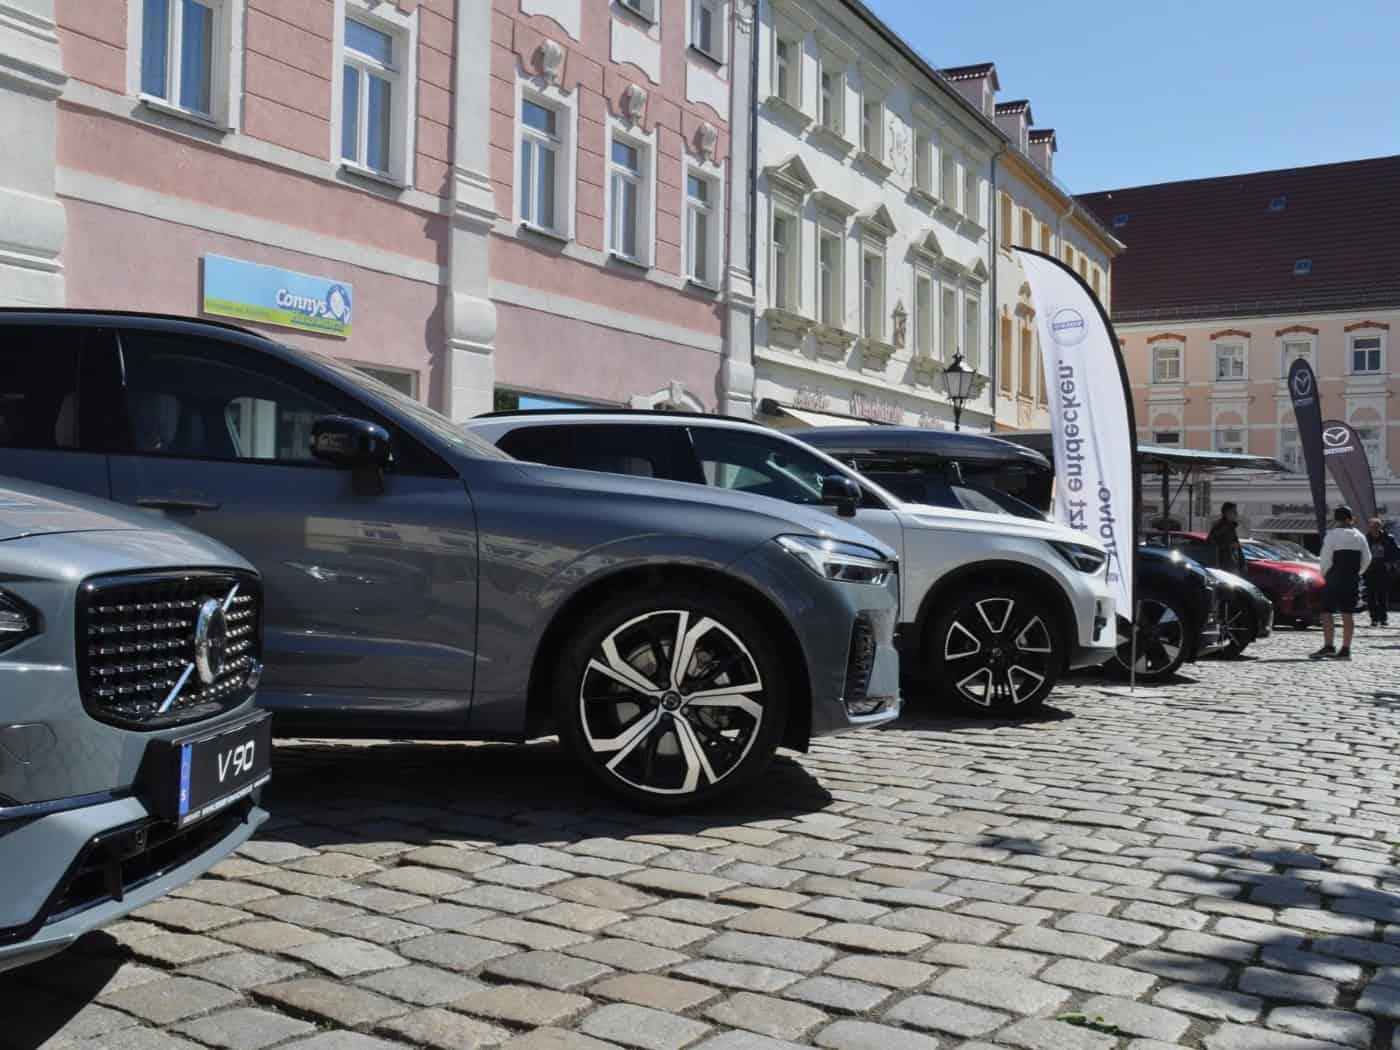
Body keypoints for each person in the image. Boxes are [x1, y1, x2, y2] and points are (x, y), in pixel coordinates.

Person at [1311, 506, 1371, 660]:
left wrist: (1325, 574)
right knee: (1347, 613)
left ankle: (1329, 646)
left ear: (1336, 520)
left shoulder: (1332, 535)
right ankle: (1346, 649)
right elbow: (1367, 559)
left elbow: (1325, 559)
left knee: (1326, 611)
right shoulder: (1359, 536)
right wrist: (1357, 573)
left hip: (1334, 577)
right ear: (1350, 519)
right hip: (1351, 579)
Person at [1364, 517, 1400, 626]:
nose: (1373, 529)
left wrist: (1390, 563)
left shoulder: (1389, 538)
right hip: (1369, 570)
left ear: (1380, 527)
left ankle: (1383, 618)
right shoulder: (1365, 539)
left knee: (1382, 595)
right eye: (1371, 527)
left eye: (1376, 527)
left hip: (1383, 570)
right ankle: (1374, 618)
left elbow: (1395, 553)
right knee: (1371, 595)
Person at [1206, 503, 1245, 573]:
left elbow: (1237, 548)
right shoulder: (1219, 527)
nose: (1236, 514)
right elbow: (1210, 545)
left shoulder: (1231, 527)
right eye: (1234, 511)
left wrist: (1242, 564)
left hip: (1233, 565)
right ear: (1227, 513)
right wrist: (1229, 546)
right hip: (1223, 566)